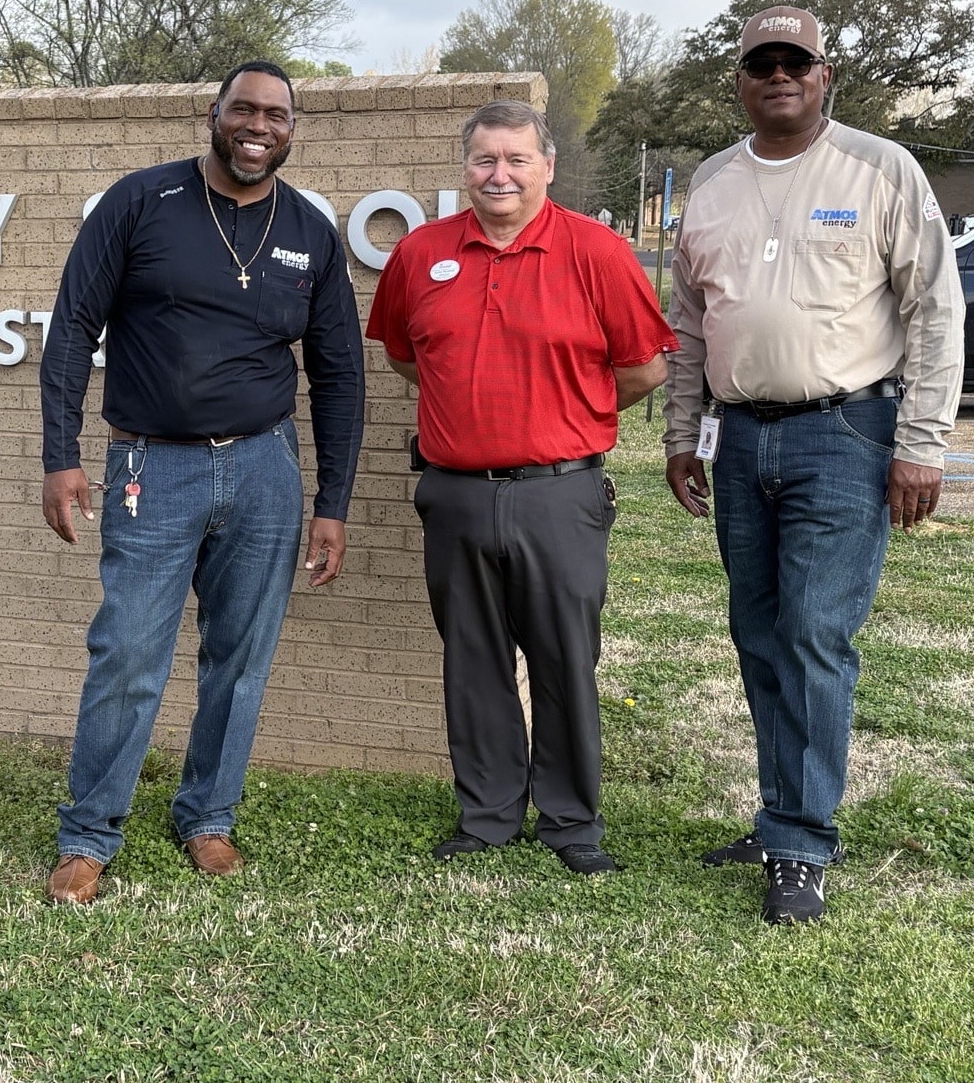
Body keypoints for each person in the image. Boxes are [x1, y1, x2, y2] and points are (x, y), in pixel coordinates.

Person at [663, 5, 964, 925]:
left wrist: (922, 442)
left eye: (797, 62)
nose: (780, 75)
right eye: (763, 63)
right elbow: (687, 322)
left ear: (825, 75)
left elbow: (937, 310)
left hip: (847, 435)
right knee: (759, 634)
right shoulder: (712, 182)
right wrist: (682, 432)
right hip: (741, 436)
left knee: (814, 635)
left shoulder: (880, 168)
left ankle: (800, 844)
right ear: (742, 80)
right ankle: (780, 811)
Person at [38, 61, 364, 905]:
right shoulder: (141, 203)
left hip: (264, 467)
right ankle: (88, 834)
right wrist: (60, 455)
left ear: (292, 130)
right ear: (213, 115)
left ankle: (207, 817)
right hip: (153, 465)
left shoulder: (312, 232)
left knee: (241, 659)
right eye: (245, 110)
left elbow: (338, 374)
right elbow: (73, 325)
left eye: (278, 116)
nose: (259, 126)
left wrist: (331, 504)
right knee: (127, 654)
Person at [366, 99, 673, 876]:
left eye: (516, 159)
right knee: (473, 659)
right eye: (483, 160)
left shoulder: (598, 252)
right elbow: (408, 356)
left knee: (566, 658)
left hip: (558, 495)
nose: (499, 175)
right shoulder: (422, 255)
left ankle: (571, 822)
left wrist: (567, 416)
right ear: (464, 167)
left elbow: (644, 367)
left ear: (548, 166)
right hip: (456, 492)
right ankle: (488, 815)